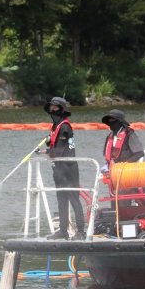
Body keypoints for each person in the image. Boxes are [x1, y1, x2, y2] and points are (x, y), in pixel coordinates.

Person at [43, 97, 85, 240]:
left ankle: (81, 232)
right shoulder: (55, 127)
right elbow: (55, 147)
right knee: (61, 201)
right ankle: (63, 231)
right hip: (58, 169)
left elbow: (61, 150)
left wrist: (47, 152)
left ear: (61, 109)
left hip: (68, 169)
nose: (52, 110)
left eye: (55, 108)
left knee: (74, 200)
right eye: (51, 108)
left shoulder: (65, 127)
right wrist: (48, 144)